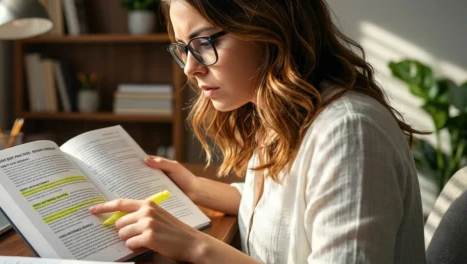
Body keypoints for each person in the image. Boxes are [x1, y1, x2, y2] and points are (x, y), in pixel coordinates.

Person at [87, 0, 427, 263]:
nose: (190, 68)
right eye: (183, 48)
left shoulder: (349, 133)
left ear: (269, 27)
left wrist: (195, 245)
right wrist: (193, 188)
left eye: (202, 42)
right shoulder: (284, 116)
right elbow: (280, 212)